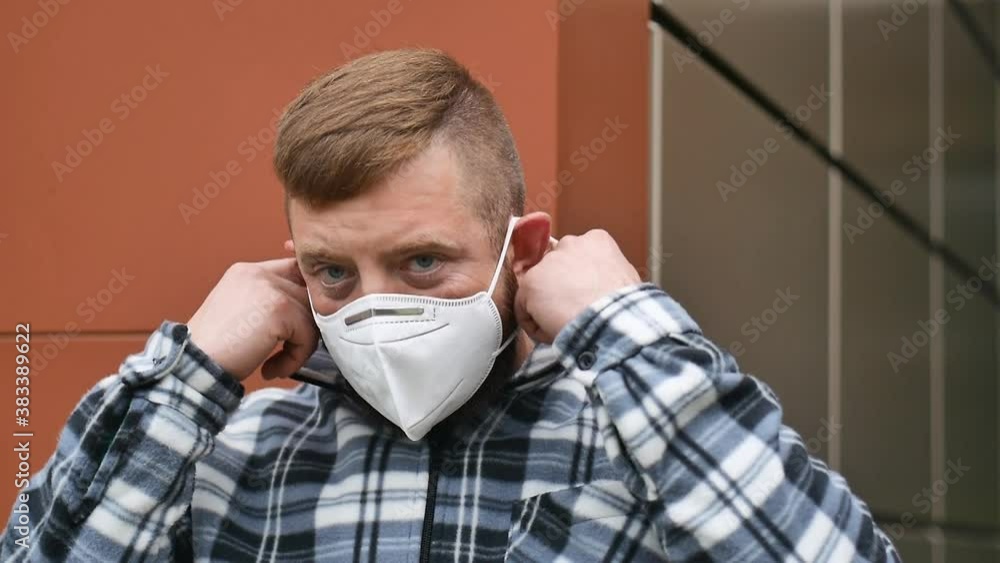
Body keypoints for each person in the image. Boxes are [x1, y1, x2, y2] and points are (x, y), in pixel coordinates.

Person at [2, 48, 899, 562]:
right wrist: (188, 372)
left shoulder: (643, 447)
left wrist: (628, 329)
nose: (375, 307)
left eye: (423, 261)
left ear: (525, 252)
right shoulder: (225, 461)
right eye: (333, 271)